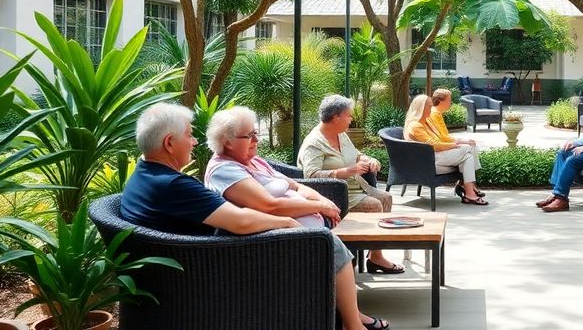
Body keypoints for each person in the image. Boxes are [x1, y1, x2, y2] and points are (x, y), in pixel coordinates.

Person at [120, 103, 392, 330]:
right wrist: (287, 222)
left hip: (188, 267)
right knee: (324, 241)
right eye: (189, 136)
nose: (193, 142)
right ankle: (351, 323)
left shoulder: (146, 177)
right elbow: (241, 221)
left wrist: (314, 205)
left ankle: (348, 315)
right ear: (169, 143)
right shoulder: (174, 184)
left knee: (323, 242)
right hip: (213, 272)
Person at [298, 94, 404, 275]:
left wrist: (368, 159)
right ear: (335, 117)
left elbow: (356, 154)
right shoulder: (314, 143)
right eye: (348, 115)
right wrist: (347, 171)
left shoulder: (341, 135)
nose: (351, 118)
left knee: (385, 198)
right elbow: (311, 176)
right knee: (373, 205)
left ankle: (375, 255)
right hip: (334, 194)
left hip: (358, 185)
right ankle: (366, 256)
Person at [403, 94, 487, 205]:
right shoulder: (415, 126)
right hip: (429, 159)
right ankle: (467, 186)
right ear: (420, 108)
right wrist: (454, 145)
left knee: (468, 156)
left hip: (437, 155)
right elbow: (434, 145)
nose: (431, 107)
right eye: (429, 106)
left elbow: (440, 138)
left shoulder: (426, 122)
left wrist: (459, 141)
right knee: (469, 148)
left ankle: (469, 193)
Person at [428, 89, 484, 199]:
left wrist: (461, 140)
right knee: (469, 148)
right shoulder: (435, 114)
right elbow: (442, 137)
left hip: (443, 147)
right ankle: (467, 184)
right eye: (449, 100)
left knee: (470, 148)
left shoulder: (437, 113)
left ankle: (466, 184)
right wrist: (461, 141)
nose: (451, 103)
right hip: (440, 150)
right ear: (440, 101)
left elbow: (444, 136)